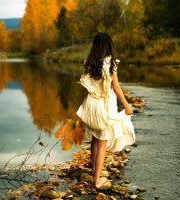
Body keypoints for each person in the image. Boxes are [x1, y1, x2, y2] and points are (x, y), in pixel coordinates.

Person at [76, 32, 135, 189]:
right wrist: (126, 105)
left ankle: (94, 169)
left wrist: (82, 105)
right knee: (102, 142)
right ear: (109, 45)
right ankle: (97, 181)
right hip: (103, 105)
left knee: (95, 138)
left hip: (90, 104)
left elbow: (84, 87)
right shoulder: (112, 63)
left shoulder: (88, 62)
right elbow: (115, 87)